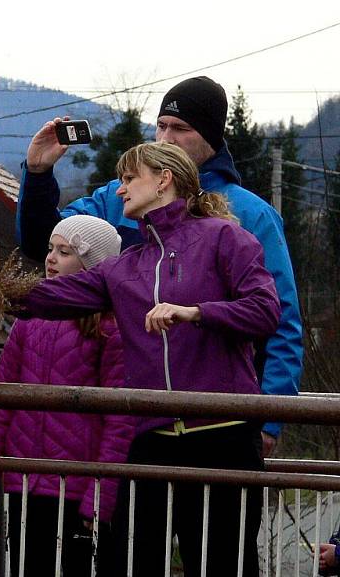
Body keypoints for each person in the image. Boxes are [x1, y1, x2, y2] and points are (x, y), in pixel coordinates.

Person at [15, 142, 280, 576]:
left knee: (223, 565)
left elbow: (266, 311)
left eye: (128, 178)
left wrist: (195, 312)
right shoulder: (124, 266)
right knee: (127, 563)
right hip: (150, 440)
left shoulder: (225, 237)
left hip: (223, 436)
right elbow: (41, 299)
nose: (120, 191)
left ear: (163, 180)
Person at [16, 76, 302, 456]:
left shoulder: (249, 216)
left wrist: (270, 416)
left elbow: (279, 317)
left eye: (181, 129)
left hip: (218, 416)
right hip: (123, 411)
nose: (166, 138)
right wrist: (37, 175)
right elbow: (46, 245)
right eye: (161, 125)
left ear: (212, 139)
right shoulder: (118, 199)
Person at [0, 215, 132, 576]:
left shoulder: (110, 328)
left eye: (65, 251)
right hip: (25, 480)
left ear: (92, 267)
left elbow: (119, 421)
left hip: (77, 484)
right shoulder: (30, 320)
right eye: (50, 249)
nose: (51, 258)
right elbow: (2, 401)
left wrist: (99, 496)